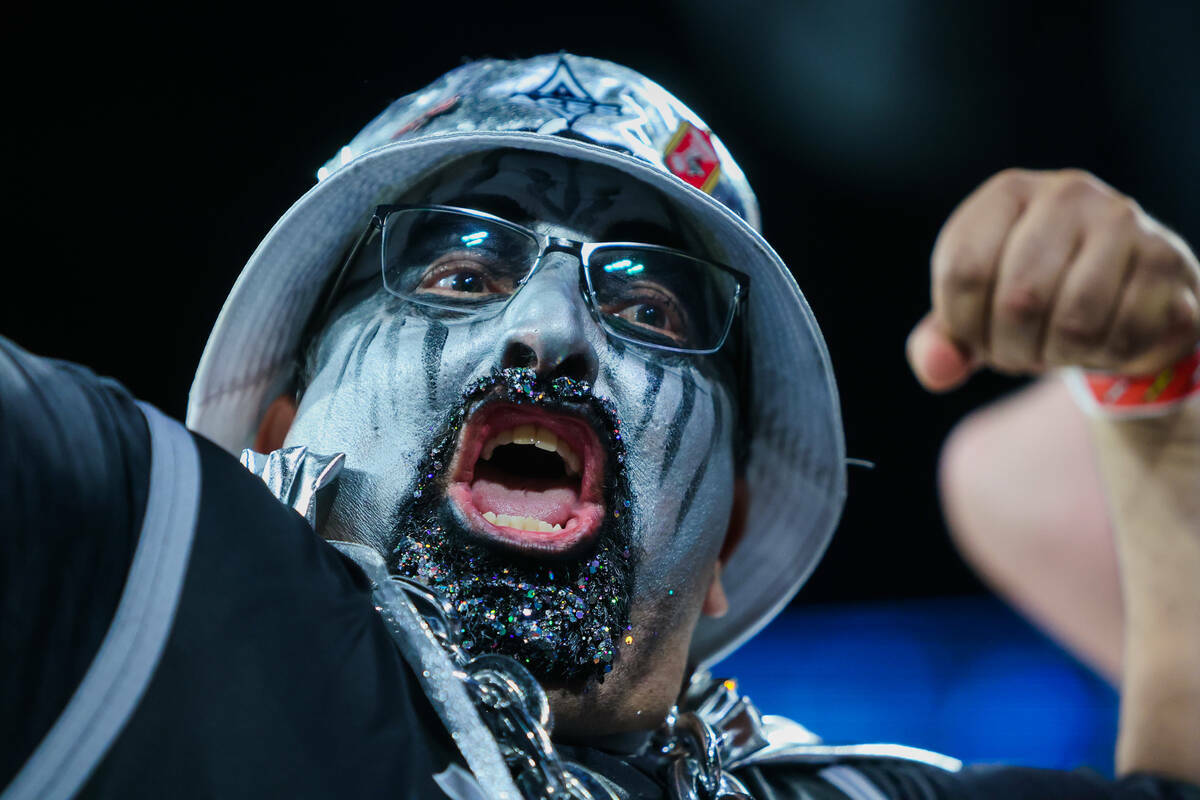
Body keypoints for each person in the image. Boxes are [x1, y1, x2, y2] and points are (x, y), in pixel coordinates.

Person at [2, 53, 1197, 800]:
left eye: (647, 305)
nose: (554, 328)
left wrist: (1160, 397)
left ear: (723, 533)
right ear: (276, 428)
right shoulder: (134, 572)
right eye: (459, 273)